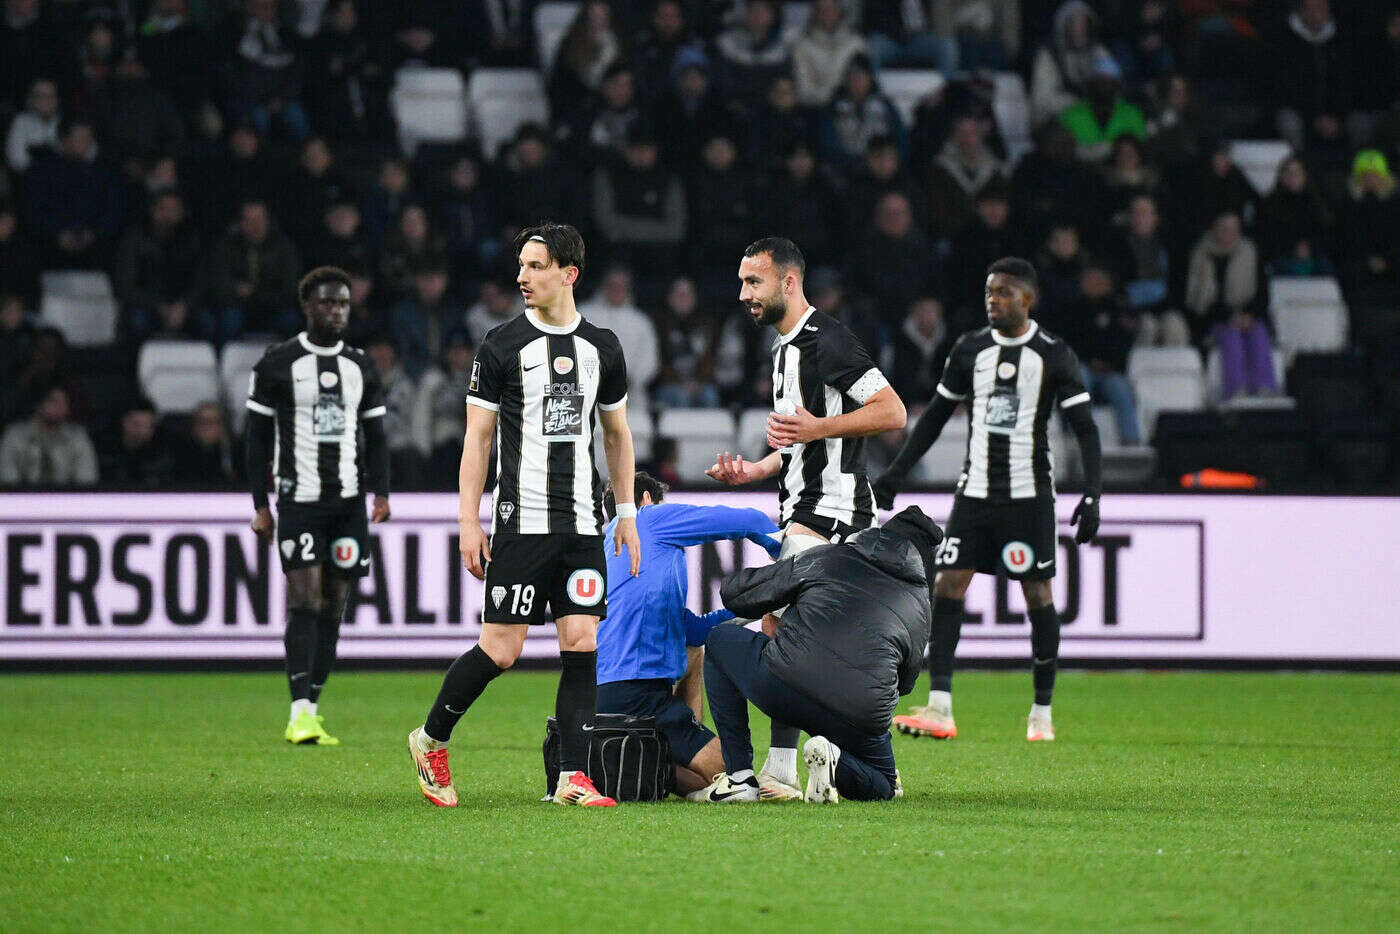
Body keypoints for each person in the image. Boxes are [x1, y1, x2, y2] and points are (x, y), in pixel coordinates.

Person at [408, 223, 641, 809]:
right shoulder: (501, 345)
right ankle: (430, 738)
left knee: (582, 641)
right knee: (502, 651)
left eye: (536, 266)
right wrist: (468, 520)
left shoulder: (603, 348)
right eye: (521, 266)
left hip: (584, 523)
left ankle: (572, 777)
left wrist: (627, 510)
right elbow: (476, 440)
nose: (522, 277)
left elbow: (616, 435)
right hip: (522, 521)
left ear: (569, 274)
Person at [706, 237, 906, 800]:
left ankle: (769, 771)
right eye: (742, 281)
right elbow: (800, 441)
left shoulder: (828, 342)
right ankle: (811, 765)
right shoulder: (784, 348)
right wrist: (756, 468)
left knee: (776, 635)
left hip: (829, 513)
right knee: (801, 644)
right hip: (810, 507)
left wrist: (817, 429)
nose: (743, 293)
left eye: (754, 282)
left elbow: (892, 411)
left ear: (789, 283)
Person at [874, 258, 1103, 744]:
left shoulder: (1054, 355)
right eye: (988, 292)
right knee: (947, 585)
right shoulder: (969, 349)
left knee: (1037, 594)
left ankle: (1041, 713)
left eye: (1002, 292)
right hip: (975, 493)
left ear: (1028, 299)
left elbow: (1085, 428)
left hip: (1029, 496)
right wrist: (895, 474)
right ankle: (940, 707)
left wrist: (1094, 493)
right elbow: (935, 417)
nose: (992, 300)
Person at [699, 506, 941, 803]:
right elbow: (905, 685)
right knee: (884, 784)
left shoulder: (827, 557)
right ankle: (835, 758)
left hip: (784, 684)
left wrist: (787, 603)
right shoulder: (920, 607)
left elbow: (739, 593)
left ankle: (739, 778)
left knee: (719, 638)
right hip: (858, 714)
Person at [245, 266, 392, 746]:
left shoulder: (360, 365)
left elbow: (376, 435)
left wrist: (382, 493)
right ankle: (298, 711)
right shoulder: (277, 363)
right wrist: (260, 504)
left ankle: (312, 705)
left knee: (333, 607)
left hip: (348, 504)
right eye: (327, 302)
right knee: (305, 599)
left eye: (343, 303)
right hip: (300, 502)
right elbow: (254, 439)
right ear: (306, 306)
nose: (336, 310)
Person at [596, 472, 782, 797]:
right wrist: (784, 556)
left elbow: (693, 629)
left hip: (600, 694)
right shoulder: (648, 518)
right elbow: (748, 519)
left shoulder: (607, 549)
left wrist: (757, 603)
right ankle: (645, 758)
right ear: (645, 499)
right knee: (732, 769)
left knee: (694, 643)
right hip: (639, 691)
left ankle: (635, 761)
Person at [0, 386, 98, 487]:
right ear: (38, 404)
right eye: (54, 401)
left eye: (64, 403)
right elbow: (7, 479)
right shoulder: (14, 435)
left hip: (66, 500)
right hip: (23, 500)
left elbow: (86, 480)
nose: (61, 407)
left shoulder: (77, 437)